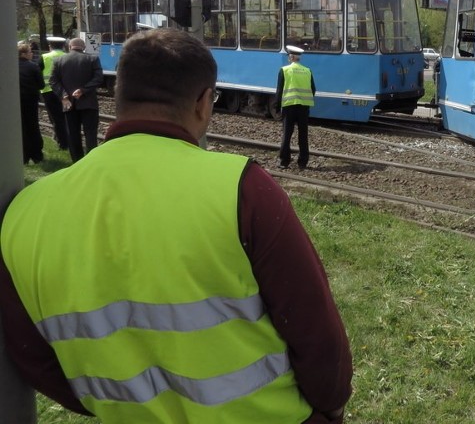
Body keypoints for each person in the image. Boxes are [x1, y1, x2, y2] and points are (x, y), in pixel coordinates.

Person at [0, 28, 352, 423]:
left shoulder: (25, 211)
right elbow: (312, 326)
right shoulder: (242, 188)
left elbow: (31, 355)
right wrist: (331, 406)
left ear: (118, 96)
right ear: (203, 102)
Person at [49, 37, 103, 162]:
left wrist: (63, 95)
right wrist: (83, 90)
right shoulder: (92, 59)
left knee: (73, 134)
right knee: (90, 133)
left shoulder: (59, 60)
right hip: (89, 103)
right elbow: (98, 78)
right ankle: (91, 160)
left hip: (68, 104)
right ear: (83, 47)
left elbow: (53, 81)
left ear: (69, 47)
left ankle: (76, 161)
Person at [275, 44, 316, 169]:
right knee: (303, 135)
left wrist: (277, 107)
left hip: (289, 107)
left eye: (288, 56)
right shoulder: (307, 70)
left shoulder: (284, 70)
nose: (288, 58)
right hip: (303, 107)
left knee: (287, 134)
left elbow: (279, 90)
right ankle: (303, 162)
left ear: (291, 57)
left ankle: (284, 161)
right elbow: (313, 89)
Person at [17, 42, 44, 164]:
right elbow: (41, 84)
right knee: (33, 126)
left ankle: (23, 156)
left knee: (21, 127)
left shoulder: (10, 66)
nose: (32, 54)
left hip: (16, 100)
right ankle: (36, 155)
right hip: (30, 100)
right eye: (29, 52)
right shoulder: (33, 66)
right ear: (23, 54)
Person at [40, 36, 69, 149]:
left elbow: (38, 73)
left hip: (48, 91)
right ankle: (67, 139)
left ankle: (62, 143)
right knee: (66, 116)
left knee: (55, 118)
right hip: (64, 92)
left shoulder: (44, 57)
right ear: (63, 46)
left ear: (50, 46)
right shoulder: (67, 56)